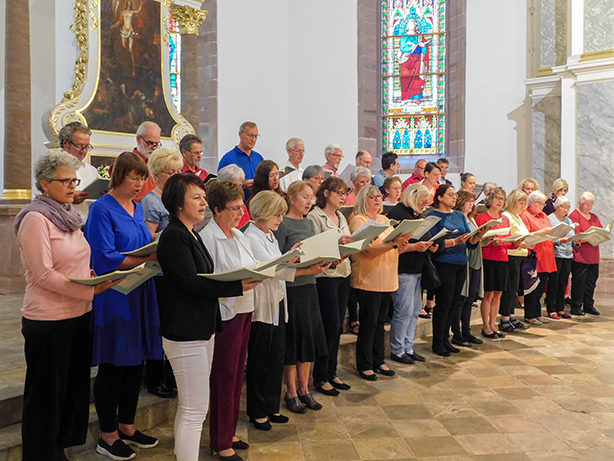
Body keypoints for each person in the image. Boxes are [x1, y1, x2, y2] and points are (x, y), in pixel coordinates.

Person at [15, 151, 120, 461]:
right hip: (48, 319)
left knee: (72, 392)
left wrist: (87, 277)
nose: (73, 185)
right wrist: (87, 291)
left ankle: (60, 450)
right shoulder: (35, 218)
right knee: (45, 396)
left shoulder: (70, 215)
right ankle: (39, 455)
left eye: (75, 179)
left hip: (78, 315)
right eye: (66, 181)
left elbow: (73, 262)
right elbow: (43, 273)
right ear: (45, 184)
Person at [156, 174, 257, 461]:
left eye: (204, 197)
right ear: (178, 203)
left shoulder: (189, 233)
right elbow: (191, 282)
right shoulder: (174, 235)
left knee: (192, 407)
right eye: (196, 198)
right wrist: (236, 286)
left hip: (200, 327)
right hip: (185, 330)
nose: (203, 203)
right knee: (194, 410)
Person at [85, 151, 163, 460]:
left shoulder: (138, 207)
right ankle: (108, 434)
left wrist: (150, 255)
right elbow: (104, 255)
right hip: (115, 292)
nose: (139, 184)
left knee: (137, 360)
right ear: (118, 176)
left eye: (143, 178)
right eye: (134, 177)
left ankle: (128, 425)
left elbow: (143, 242)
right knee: (114, 363)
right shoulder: (101, 209)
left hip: (140, 290)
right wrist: (147, 258)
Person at [198, 181, 260, 461]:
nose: (240, 212)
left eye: (241, 206)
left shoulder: (237, 234)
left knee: (237, 376)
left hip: (245, 308)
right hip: (225, 313)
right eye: (234, 208)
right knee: (224, 376)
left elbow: (253, 264)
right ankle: (221, 442)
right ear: (217, 210)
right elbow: (213, 279)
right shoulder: (208, 238)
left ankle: (229, 430)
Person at [245, 191, 315, 430]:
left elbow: (278, 263)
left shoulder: (270, 236)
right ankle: (257, 411)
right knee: (260, 360)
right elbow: (270, 270)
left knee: (276, 357)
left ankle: (271, 406)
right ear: (263, 213)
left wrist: (291, 255)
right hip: (262, 306)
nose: (280, 219)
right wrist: (303, 268)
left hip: (278, 302)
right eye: (276, 214)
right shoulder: (251, 236)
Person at [273, 181, 331, 413]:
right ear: (291, 199)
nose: (309, 201)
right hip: (291, 289)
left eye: (311, 197)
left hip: (309, 286)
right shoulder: (282, 224)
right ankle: (291, 391)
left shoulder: (308, 223)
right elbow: (277, 261)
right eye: (305, 197)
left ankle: (305, 389)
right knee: (293, 341)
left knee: (308, 339)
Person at [349, 185, 411, 379]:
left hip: (388, 278)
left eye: (378, 196)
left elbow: (394, 248)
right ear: (363, 200)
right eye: (372, 197)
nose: (377, 199)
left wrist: (405, 240)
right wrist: (393, 243)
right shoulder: (359, 220)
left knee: (380, 323)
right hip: (368, 279)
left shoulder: (385, 220)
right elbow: (367, 249)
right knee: (368, 324)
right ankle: (365, 364)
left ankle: (378, 360)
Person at [307, 177, 354, 396]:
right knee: (330, 325)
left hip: (343, 272)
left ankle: (332, 371)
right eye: (339, 193)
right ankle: (320, 376)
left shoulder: (341, 216)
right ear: (326, 193)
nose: (343, 197)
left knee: (336, 328)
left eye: (345, 193)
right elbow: (313, 246)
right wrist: (338, 244)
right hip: (325, 275)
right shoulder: (315, 216)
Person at [428, 184, 484, 356]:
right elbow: (433, 243)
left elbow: (468, 241)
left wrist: (480, 234)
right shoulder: (433, 216)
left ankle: (446, 339)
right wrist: (454, 242)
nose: (454, 197)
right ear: (440, 197)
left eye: (454, 194)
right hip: (444, 263)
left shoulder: (459, 215)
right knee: (443, 304)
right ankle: (437, 342)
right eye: (450, 194)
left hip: (461, 263)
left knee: (453, 304)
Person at [387, 184, 435, 364]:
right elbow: (393, 246)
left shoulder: (417, 214)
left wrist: (431, 243)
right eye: (423, 201)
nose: (425, 205)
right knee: (404, 311)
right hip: (403, 269)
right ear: (413, 196)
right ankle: (397, 350)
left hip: (417, 268)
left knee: (415, 310)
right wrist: (416, 246)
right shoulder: (398, 214)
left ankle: (408, 346)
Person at [475, 187, 513, 339]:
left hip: (503, 258)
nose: (500, 201)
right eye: (497, 198)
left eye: (502, 199)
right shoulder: (482, 218)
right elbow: (477, 240)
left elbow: (509, 241)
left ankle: (493, 324)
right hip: (488, 258)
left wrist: (512, 242)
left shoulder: (505, 219)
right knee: (488, 294)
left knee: (498, 294)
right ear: (490, 199)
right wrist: (490, 241)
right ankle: (486, 327)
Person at [451, 190, 484, 346]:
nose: (471, 204)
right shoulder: (458, 218)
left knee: (470, 299)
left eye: (473, 202)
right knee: (461, 300)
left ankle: (466, 330)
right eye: (468, 201)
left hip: (475, 261)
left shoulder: (471, 219)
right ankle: (457, 333)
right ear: (461, 201)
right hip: (463, 260)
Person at [520, 191, 555, 325]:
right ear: (532, 203)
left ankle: (537, 313)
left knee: (541, 286)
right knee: (532, 287)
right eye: (540, 203)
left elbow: (550, 230)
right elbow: (527, 235)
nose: (543, 206)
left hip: (547, 254)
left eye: (544, 203)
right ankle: (530, 314)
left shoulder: (544, 215)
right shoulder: (525, 215)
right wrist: (542, 232)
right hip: (535, 255)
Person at [499, 189, 530, 332]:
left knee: (515, 288)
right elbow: (507, 236)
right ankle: (504, 318)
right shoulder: (506, 216)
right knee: (510, 288)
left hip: (520, 255)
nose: (523, 206)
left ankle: (511, 315)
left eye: (525, 203)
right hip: (511, 255)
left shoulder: (518, 216)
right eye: (521, 203)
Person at [569, 191, 602, 316]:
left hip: (593, 255)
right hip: (580, 256)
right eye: (586, 204)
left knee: (591, 282)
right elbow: (576, 237)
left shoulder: (594, 217)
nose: (588, 207)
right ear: (580, 203)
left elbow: (599, 231)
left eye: (591, 205)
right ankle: (576, 305)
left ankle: (588, 304)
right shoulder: (575, 216)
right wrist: (588, 238)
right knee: (579, 282)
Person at [141, 148, 183, 238]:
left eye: (178, 172)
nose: (176, 176)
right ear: (156, 175)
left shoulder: (180, 195)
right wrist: (174, 233)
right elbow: (149, 236)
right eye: (171, 173)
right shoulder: (151, 201)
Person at [545, 196, 575, 319]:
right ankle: (551, 308)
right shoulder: (550, 219)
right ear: (556, 207)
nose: (565, 210)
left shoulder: (568, 221)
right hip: (556, 254)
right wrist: (559, 240)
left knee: (563, 282)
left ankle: (560, 308)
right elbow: (548, 238)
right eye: (563, 207)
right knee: (554, 282)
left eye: (567, 207)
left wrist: (577, 241)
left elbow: (572, 236)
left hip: (568, 255)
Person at [58, 121, 96, 206]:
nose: (84, 151)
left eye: (87, 146)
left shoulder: (91, 171)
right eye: (79, 146)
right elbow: (43, 198)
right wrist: (68, 198)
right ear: (65, 143)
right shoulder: (52, 168)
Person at [218, 121, 264, 189]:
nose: (253, 139)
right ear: (240, 134)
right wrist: (242, 184)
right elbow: (221, 185)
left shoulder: (259, 158)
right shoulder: (228, 158)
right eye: (250, 135)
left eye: (256, 136)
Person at [133, 121, 163, 202]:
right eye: (150, 143)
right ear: (139, 139)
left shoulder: (160, 164)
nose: (154, 148)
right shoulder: (126, 163)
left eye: (156, 144)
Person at [217, 164, 252, 229]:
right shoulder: (218, 205)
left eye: (241, 186)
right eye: (235, 187)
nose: (239, 190)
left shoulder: (241, 204)